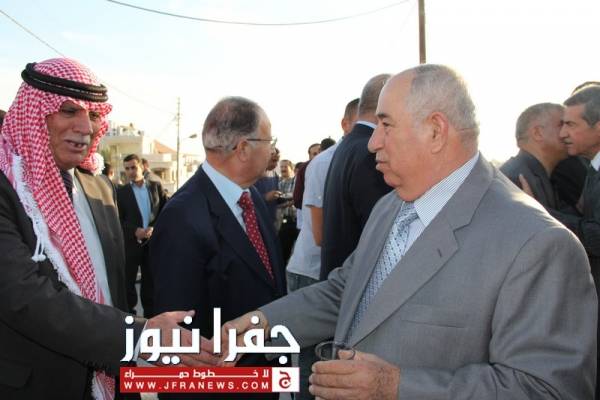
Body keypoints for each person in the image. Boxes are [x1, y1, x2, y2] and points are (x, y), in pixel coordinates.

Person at [224, 64, 597, 399]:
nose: (373, 142)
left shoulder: (538, 243)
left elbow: (548, 389)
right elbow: (346, 291)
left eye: (386, 125)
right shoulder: (390, 206)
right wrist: (260, 324)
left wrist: (396, 387)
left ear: (435, 130)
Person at [0, 58, 216, 400]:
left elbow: (115, 288)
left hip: (111, 378)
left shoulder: (99, 187)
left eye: (94, 115)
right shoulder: (8, 188)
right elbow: (23, 297)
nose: (85, 127)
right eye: (69, 111)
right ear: (35, 113)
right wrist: (139, 336)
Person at [150, 96, 287, 399]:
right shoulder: (183, 216)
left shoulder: (251, 198)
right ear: (243, 148)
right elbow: (178, 339)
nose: (273, 150)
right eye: (269, 141)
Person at [285, 98, 357, 399]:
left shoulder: (355, 157)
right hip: (311, 272)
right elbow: (320, 235)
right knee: (309, 361)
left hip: (330, 272)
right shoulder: (325, 162)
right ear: (345, 124)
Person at [320, 74, 393, 280]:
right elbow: (379, 233)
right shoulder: (371, 152)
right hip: (356, 281)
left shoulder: (349, 144)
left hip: (340, 277)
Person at [556, 84, 600, 397]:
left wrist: (542, 214)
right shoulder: (592, 169)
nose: (563, 134)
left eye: (571, 124)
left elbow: (596, 236)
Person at [117, 153, 167, 317]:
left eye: (133, 167)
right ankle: (130, 317)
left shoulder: (155, 187)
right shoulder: (121, 192)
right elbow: (118, 219)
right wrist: (134, 231)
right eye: (127, 169)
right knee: (128, 283)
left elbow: (165, 211)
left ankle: (151, 318)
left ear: (142, 166)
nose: (130, 172)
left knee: (150, 283)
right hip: (132, 244)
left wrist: (155, 228)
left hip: (152, 243)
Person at [500, 102, 567, 208]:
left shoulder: (533, 172)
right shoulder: (514, 180)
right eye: (562, 125)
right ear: (537, 133)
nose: (567, 132)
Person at [277, 159, 297, 263]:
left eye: (285, 167)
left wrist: (281, 202)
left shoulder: (295, 181)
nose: (283, 169)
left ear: (291, 168)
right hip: (283, 221)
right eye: (281, 167)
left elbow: (295, 197)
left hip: (295, 220)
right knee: (283, 251)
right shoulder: (278, 182)